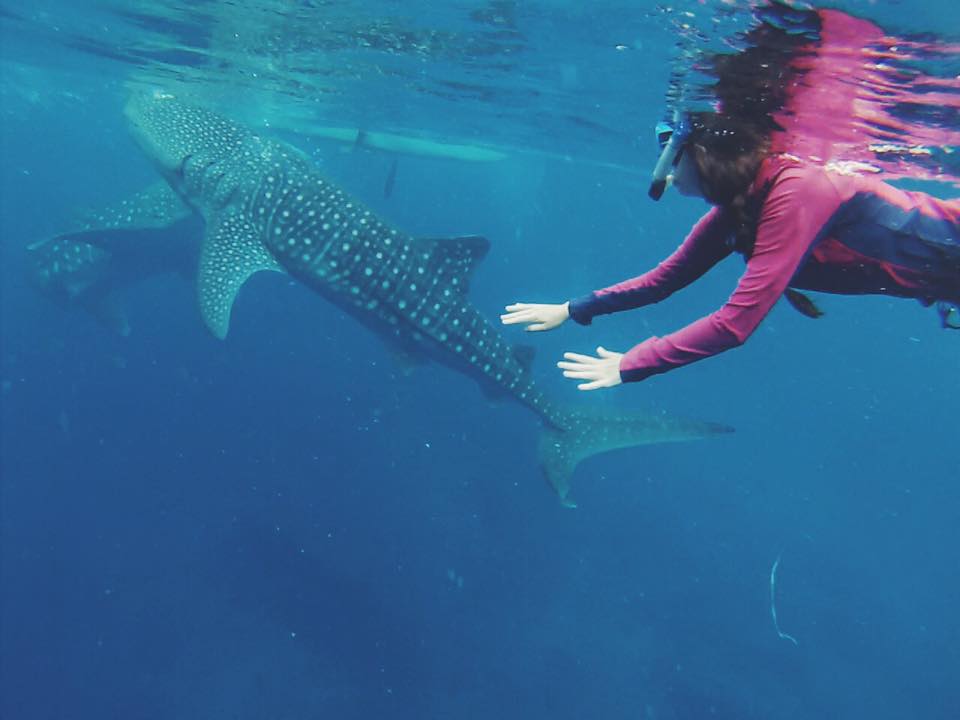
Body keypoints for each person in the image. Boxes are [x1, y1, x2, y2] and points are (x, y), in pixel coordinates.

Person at [501, 111, 960, 390]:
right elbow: (664, 280)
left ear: (703, 157)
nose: (665, 173)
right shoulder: (741, 213)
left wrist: (633, 363)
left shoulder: (798, 192)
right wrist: (573, 308)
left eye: (671, 155)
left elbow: (734, 324)